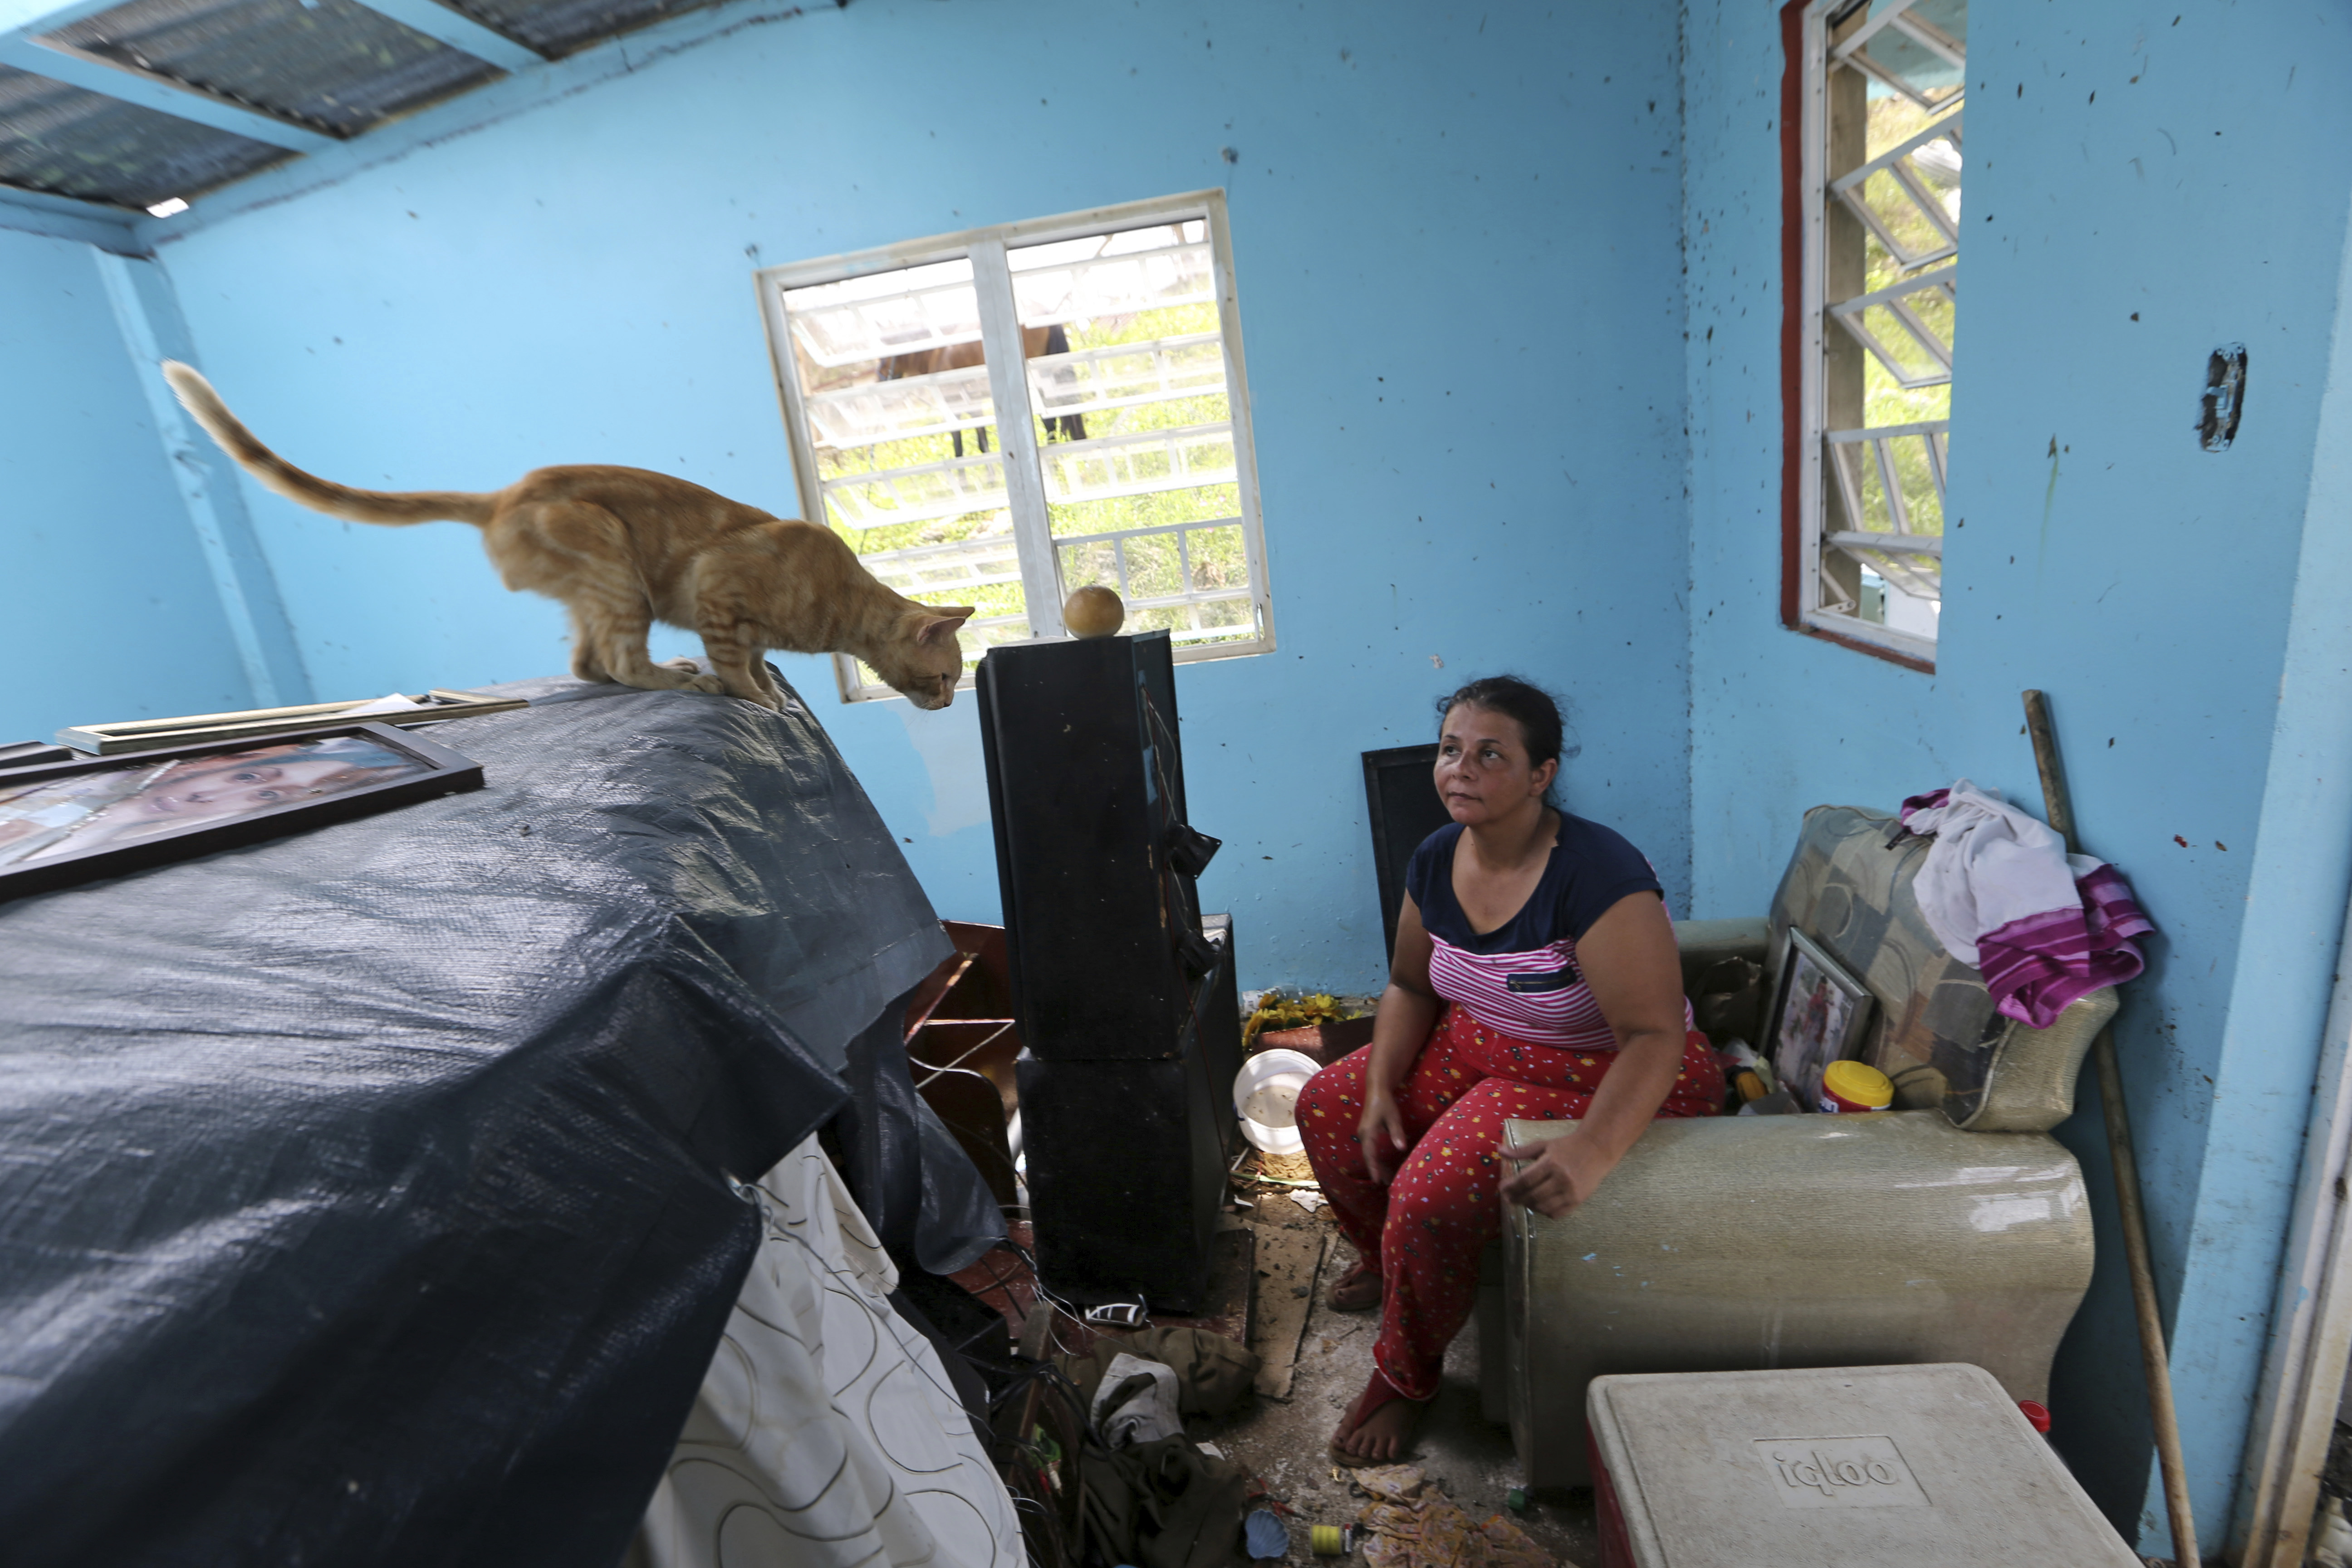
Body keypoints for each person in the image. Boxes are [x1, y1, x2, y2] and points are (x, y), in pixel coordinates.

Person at [1296, 676, 1725, 1464]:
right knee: (1327, 1103)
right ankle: (1388, 1264)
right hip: (1479, 1042)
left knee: (1429, 1193)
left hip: (1594, 1070)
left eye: (1490, 754)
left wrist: (1593, 1152)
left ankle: (1406, 1376)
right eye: (1452, 750)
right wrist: (1383, 1084)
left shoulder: (1596, 874)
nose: (1461, 769)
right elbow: (1408, 984)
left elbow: (1656, 1036)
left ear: (1541, 774)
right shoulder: (1434, 859)